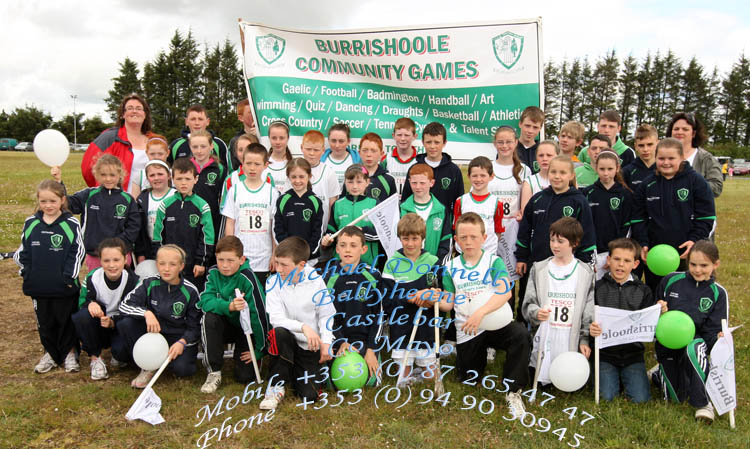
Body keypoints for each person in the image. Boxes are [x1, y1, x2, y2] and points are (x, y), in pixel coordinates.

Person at [440, 213, 531, 416]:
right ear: (456, 240)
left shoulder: (493, 262)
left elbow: (505, 292)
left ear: (484, 237)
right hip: (468, 328)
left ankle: (513, 391)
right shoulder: (450, 267)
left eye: (473, 237)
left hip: (494, 322)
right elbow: (448, 303)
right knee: (469, 379)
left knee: (520, 335)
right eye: (463, 237)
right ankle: (477, 358)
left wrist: (480, 312)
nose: (468, 241)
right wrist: (435, 299)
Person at [15, 180, 85, 374]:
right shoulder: (31, 223)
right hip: (38, 285)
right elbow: (24, 252)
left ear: (62, 200)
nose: (48, 205)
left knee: (65, 320)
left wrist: (68, 278)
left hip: (64, 286)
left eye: (53, 201)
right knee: (45, 322)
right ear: (38, 201)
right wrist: (26, 273)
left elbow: (78, 251)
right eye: (43, 201)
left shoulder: (70, 223)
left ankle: (70, 353)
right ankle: (50, 354)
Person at [653, 240, 728, 421]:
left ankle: (703, 404)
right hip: (668, 344)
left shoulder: (718, 293)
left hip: (697, 343)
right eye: (693, 264)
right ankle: (658, 373)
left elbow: (712, 330)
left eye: (704, 265)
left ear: (715, 264)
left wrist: (718, 339)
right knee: (675, 399)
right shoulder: (670, 280)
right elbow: (651, 319)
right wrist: (659, 311)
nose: (697, 270)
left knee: (694, 350)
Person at [260, 237, 336, 411]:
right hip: (286, 340)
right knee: (279, 332)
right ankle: (276, 386)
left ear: (301, 265)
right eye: (277, 263)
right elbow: (276, 318)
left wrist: (326, 343)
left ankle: (294, 372)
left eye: (284, 265)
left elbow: (326, 315)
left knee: (309, 396)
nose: (278, 269)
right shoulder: (273, 282)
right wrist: (303, 327)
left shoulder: (316, 282)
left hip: (309, 345)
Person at [631, 138, 716, 292]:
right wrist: (643, 242)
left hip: (686, 252)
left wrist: (694, 240)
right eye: (661, 158)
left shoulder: (696, 181)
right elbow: (637, 217)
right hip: (655, 253)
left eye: (671, 158)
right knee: (657, 292)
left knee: (685, 293)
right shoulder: (647, 185)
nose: (666, 162)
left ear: (682, 157)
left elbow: (706, 217)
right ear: (655, 158)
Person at [522, 217, 595, 386]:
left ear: (574, 243)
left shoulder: (585, 271)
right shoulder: (539, 268)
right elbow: (528, 303)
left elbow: (588, 309)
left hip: (570, 335)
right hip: (546, 333)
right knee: (539, 380)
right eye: (552, 240)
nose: (555, 245)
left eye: (560, 241)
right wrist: (536, 312)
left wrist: (584, 340)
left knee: (570, 382)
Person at [118, 245, 201, 388]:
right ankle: (147, 366)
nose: (166, 269)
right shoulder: (148, 283)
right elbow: (124, 306)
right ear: (157, 264)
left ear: (181, 266)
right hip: (154, 334)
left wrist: (183, 341)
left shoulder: (191, 291)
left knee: (183, 369)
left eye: (172, 264)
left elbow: (195, 326)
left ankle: (167, 360)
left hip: (177, 338)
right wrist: (146, 313)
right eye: (162, 264)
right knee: (126, 323)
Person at [198, 236, 270, 394]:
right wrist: (228, 306)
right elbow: (204, 302)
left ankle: (256, 359)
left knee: (244, 376)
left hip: (246, 329)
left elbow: (259, 314)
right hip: (223, 326)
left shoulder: (248, 278)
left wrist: (260, 349)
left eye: (230, 260)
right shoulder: (213, 273)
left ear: (241, 259)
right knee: (209, 317)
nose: (224, 265)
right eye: (220, 259)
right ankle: (214, 371)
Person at [589, 238, 653, 403]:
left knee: (641, 400)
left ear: (636, 264)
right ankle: (610, 377)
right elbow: (588, 317)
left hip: (632, 354)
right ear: (608, 260)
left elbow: (648, 324)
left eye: (627, 261)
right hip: (605, 354)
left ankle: (638, 377)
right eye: (616, 259)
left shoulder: (643, 291)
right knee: (607, 397)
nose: (621, 265)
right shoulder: (597, 288)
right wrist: (591, 328)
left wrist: (660, 310)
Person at [382, 214, 442, 388]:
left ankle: (421, 369)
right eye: (405, 238)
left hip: (426, 328)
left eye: (415, 238)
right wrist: (413, 297)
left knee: (430, 379)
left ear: (422, 238)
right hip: (401, 328)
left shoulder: (433, 262)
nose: (410, 243)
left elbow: (441, 295)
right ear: (400, 238)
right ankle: (411, 369)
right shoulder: (392, 264)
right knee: (402, 382)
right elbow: (387, 301)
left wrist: (430, 299)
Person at [53, 154, 140, 271]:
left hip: (119, 254)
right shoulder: (89, 195)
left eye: (112, 175)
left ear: (120, 175)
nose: (108, 179)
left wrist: (116, 245)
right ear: (97, 174)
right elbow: (67, 204)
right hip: (95, 255)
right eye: (103, 175)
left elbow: (134, 227)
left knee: (121, 286)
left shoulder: (128, 200)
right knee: (96, 285)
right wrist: (58, 182)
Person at [516, 156, 597, 274]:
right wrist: (521, 258)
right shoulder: (537, 199)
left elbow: (587, 234)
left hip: (568, 266)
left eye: (563, 172)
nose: (557, 176)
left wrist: (585, 261)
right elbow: (524, 231)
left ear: (571, 175)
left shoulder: (579, 201)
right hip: (538, 262)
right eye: (553, 172)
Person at [72, 238, 138, 380]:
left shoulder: (133, 280)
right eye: (106, 261)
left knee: (122, 350)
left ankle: (119, 354)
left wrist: (113, 321)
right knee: (82, 316)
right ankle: (95, 358)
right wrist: (90, 303)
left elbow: (135, 312)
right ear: (100, 261)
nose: (112, 265)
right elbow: (82, 302)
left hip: (119, 324)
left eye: (116, 260)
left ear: (125, 259)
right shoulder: (93, 277)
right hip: (100, 324)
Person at [323, 226, 383, 383]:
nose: (347, 250)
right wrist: (341, 341)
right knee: (331, 383)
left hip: (364, 341)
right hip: (337, 339)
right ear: (336, 249)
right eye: (343, 245)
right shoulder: (328, 278)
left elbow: (380, 316)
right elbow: (324, 316)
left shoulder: (373, 276)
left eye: (353, 245)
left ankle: (373, 355)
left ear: (363, 249)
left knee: (372, 382)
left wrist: (371, 349)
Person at [153, 158, 215, 290]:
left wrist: (201, 262)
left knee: (192, 297)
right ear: (173, 179)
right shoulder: (165, 205)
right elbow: (158, 236)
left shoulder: (202, 206)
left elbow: (207, 238)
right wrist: (161, 261)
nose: (183, 183)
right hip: (170, 266)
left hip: (193, 266)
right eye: (179, 179)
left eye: (187, 179)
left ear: (195, 179)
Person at [222, 145, 278, 288]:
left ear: (265, 165)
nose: (252, 168)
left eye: (257, 164)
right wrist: (231, 253)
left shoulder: (271, 192)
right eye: (248, 163)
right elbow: (230, 223)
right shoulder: (235, 190)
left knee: (261, 300)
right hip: (241, 257)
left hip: (264, 258)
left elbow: (274, 226)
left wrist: (274, 254)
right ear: (242, 164)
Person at [81, 93, 153, 194]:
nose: (134, 111)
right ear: (123, 114)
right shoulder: (109, 138)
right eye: (130, 108)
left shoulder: (154, 140)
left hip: (149, 202)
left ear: (145, 114)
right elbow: (88, 169)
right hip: (120, 202)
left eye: (139, 108)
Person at [582, 150, 634, 279]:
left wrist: (614, 253)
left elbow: (627, 226)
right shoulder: (588, 193)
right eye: (602, 169)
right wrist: (588, 251)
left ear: (617, 168)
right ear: (596, 168)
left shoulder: (625, 194)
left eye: (610, 169)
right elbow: (584, 225)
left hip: (614, 253)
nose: (606, 173)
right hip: (592, 252)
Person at [401, 122, 464, 223]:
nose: (432, 146)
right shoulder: (415, 168)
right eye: (429, 142)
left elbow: (459, 202)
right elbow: (405, 199)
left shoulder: (454, 170)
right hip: (415, 225)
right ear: (423, 142)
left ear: (444, 143)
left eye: (437, 142)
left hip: (443, 225)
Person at [322, 164, 380, 266]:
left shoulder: (374, 204)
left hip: (367, 262)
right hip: (341, 263)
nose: (354, 186)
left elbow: (381, 235)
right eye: (350, 182)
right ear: (345, 182)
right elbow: (332, 232)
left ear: (367, 182)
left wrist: (363, 231)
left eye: (359, 182)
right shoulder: (338, 204)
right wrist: (327, 241)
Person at [274, 158, 324, 262]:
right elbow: (278, 229)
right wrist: (287, 251)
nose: (297, 181)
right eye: (293, 177)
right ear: (288, 177)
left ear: (309, 176)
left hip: (309, 259)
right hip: (287, 257)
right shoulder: (283, 200)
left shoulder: (315, 201)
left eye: (301, 177)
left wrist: (308, 252)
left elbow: (318, 231)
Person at [400, 164, 452, 261]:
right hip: (406, 265)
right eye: (414, 183)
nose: (418, 186)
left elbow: (446, 241)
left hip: (432, 267)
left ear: (432, 183)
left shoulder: (441, 210)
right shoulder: (401, 208)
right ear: (409, 182)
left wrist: (437, 265)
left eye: (422, 183)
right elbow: (396, 240)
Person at [666, 112, 723, 197]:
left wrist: (690, 185)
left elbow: (717, 187)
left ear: (693, 134)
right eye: (676, 129)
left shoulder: (706, 158)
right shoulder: (661, 156)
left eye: (685, 129)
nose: (679, 132)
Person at [454, 156, 504, 254]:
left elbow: (498, 231)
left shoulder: (496, 203)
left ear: (491, 176)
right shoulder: (461, 201)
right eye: (475, 176)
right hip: (464, 253)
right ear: (468, 176)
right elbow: (456, 228)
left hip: (488, 253)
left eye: (483, 175)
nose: (478, 179)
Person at [134, 160, 176, 262]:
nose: (156, 178)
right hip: (150, 247)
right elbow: (139, 228)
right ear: (147, 178)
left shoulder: (176, 195)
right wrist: (140, 252)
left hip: (173, 247)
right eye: (152, 175)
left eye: (160, 174)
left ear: (169, 175)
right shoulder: (142, 199)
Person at [189, 130, 225, 242]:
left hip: (212, 218)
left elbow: (222, 195)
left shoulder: (219, 168)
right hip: (189, 215)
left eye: (203, 146)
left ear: (211, 146)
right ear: (190, 147)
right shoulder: (186, 166)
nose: (199, 151)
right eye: (195, 147)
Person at [168, 104, 229, 170]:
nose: (197, 123)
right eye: (193, 119)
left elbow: (226, 171)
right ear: (186, 122)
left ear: (207, 122)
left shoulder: (218, 144)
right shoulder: (176, 145)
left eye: (200, 119)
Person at [347, 132, 396, 203]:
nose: (368, 155)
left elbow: (393, 208)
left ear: (381, 154)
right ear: (359, 153)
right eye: (365, 150)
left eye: (373, 151)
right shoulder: (350, 177)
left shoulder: (388, 180)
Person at [382, 117, 419, 198]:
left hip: (411, 207)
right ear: (393, 135)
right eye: (399, 135)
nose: (402, 139)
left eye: (407, 135)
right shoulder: (386, 159)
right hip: (390, 206)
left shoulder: (420, 160)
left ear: (414, 136)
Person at [519, 140, 558, 215]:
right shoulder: (529, 182)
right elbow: (526, 213)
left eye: (549, 155)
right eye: (541, 155)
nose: (544, 159)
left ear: (557, 156)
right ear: (536, 157)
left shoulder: (566, 179)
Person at [322, 123, 361, 190]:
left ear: (348, 141)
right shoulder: (321, 161)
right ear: (328, 140)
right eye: (333, 141)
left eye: (341, 141)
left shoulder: (357, 161)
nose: (337, 145)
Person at [130, 134, 170, 199]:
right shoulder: (140, 176)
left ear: (167, 153)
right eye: (152, 154)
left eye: (160, 154)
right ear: (146, 153)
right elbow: (134, 202)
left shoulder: (174, 173)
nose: (156, 157)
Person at [623, 124, 657, 191]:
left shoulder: (665, 169)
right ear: (636, 146)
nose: (645, 149)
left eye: (649, 144)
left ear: (657, 143)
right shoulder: (627, 172)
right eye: (641, 145)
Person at [228, 99, 259, 171]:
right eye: (250, 113)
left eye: (256, 112)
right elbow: (233, 168)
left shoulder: (267, 137)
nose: (255, 115)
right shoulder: (236, 141)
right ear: (241, 118)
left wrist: (260, 137)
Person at [263, 120, 293, 194]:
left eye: (282, 138)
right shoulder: (262, 164)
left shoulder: (293, 164)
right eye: (274, 138)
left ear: (288, 138)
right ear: (269, 138)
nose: (278, 142)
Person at [515, 106, 545, 173]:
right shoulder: (509, 149)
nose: (530, 131)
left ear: (540, 128)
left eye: (535, 127)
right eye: (527, 126)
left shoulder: (543, 152)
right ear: (520, 124)